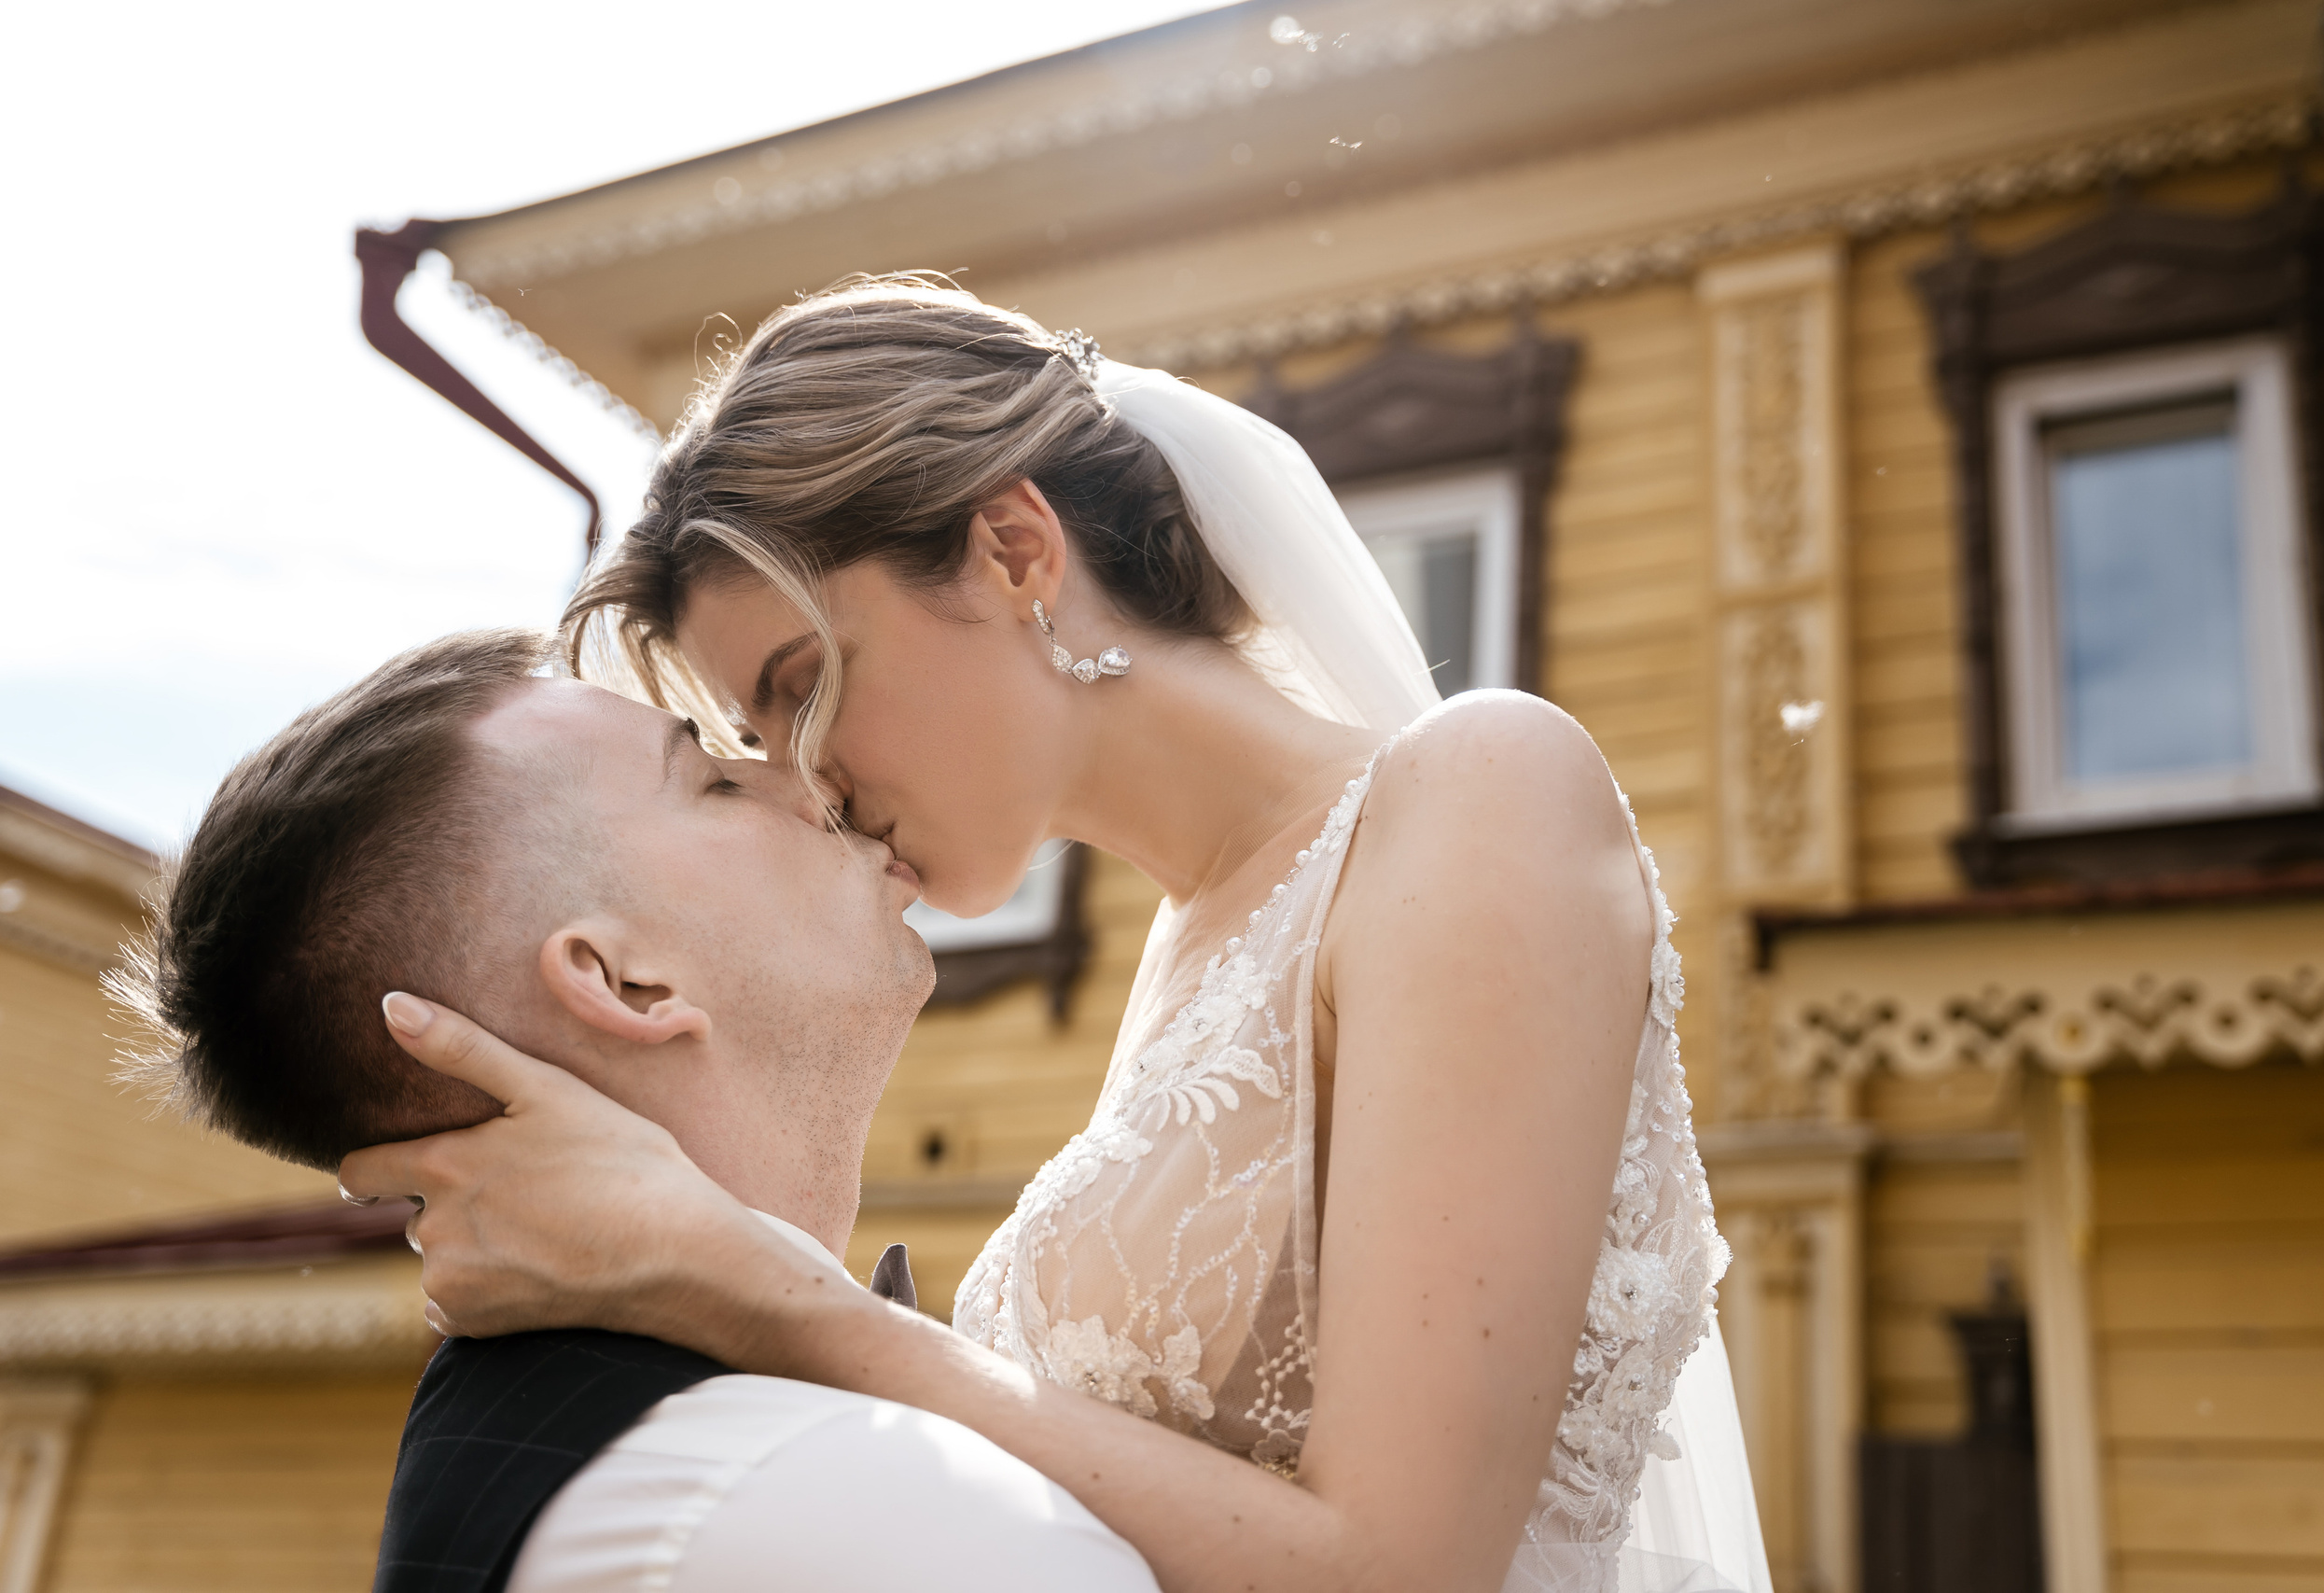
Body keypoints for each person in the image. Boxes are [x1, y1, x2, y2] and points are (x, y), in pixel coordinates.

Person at [337, 279, 1772, 1593]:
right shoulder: (1185, 956)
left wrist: (766, 1295)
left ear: (1016, 547)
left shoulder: (1481, 793)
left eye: (800, 686)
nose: (808, 780)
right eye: (755, 738)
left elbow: (1395, 1567)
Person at [114, 630, 1162, 1593]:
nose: (809, 776)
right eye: (710, 777)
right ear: (628, 983)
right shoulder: (825, 1509)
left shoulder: (647, 1463)